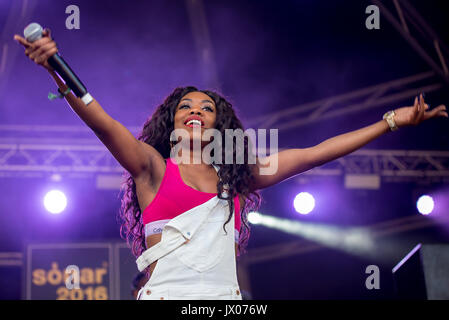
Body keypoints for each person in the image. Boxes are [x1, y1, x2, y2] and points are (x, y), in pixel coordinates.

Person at [14, 28, 447, 300]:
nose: (196, 110)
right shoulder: (152, 167)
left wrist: (391, 122)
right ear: (173, 121)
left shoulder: (236, 177)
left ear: (220, 125)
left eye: (207, 107)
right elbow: (102, 122)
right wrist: (55, 65)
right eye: (186, 106)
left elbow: (319, 151)